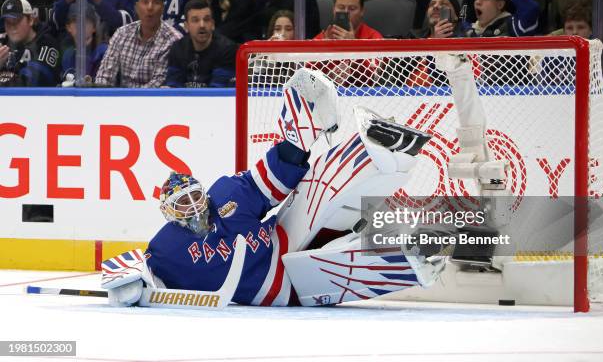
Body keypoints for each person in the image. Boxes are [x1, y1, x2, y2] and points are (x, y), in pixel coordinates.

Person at [102, 67, 449, 307]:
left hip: (284, 236)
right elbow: (133, 265)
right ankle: (411, 261)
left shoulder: (226, 194)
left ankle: (383, 150)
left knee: (324, 178)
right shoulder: (166, 246)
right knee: (332, 264)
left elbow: (270, 181)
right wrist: (127, 284)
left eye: (195, 194)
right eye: (182, 201)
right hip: (281, 289)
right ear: (167, 211)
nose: (193, 205)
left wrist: (295, 146)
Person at [95, 0, 182, 87]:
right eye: (145, 2)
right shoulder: (122, 34)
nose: (150, 7)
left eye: (156, 2)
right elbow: (104, 75)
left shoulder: (173, 40)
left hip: (152, 101)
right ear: (136, 7)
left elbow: (158, 84)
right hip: (120, 99)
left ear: (163, 8)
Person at [312, 0, 382, 87]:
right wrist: (324, 51)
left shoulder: (374, 38)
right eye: (341, 7)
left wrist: (354, 47)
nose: (346, 13)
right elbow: (307, 72)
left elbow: (374, 78)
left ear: (362, 11)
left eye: (352, 9)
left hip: (362, 96)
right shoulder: (323, 37)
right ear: (333, 9)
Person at [165, 0, 238, 88]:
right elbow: (173, 87)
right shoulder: (177, 48)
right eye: (195, 20)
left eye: (206, 20)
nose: (202, 25)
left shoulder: (227, 49)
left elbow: (218, 93)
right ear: (186, 26)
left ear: (213, 24)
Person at [0, 0, 60, 86]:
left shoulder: (47, 45)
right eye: (8, 22)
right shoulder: (2, 42)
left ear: (31, 20)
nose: (12, 27)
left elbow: (29, 84)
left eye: (16, 21)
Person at [60, 3, 108, 85]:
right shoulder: (67, 55)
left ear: (94, 28)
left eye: (85, 21)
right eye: (76, 21)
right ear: (68, 27)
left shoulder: (104, 52)